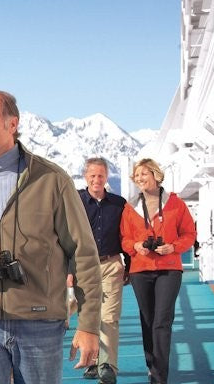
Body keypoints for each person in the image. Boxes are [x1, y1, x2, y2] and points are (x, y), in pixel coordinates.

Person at [0, 88, 102, 383]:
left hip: (40, 323)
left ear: (12, 124)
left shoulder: (52, 180)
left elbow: (83, 253)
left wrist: (90, 324)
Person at [120, 158, 197, 384]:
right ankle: (152, 366)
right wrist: (135, 246)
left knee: (162, 321)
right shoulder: (130, 207)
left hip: (169, 269)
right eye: (137, 176)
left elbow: (189, 234)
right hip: (140, 270)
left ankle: (160, 377)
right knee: (148, 319)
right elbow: (124, 239)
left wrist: (173, 247)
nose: (140, 179)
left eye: (144, 174)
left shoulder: (175, 203)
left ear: (156, 175)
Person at [77, 157, 128, 384]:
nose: (97, 179)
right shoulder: (75, 201)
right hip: (83, 266)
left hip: (111, 264)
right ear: (86, 176)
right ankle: (92, 360)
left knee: (109, 317)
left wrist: (129, 265)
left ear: (107, 177)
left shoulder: (119, 204)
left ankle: (107, 366)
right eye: (93, 175)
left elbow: (127, 235)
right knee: (86, 315)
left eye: (101, 175)